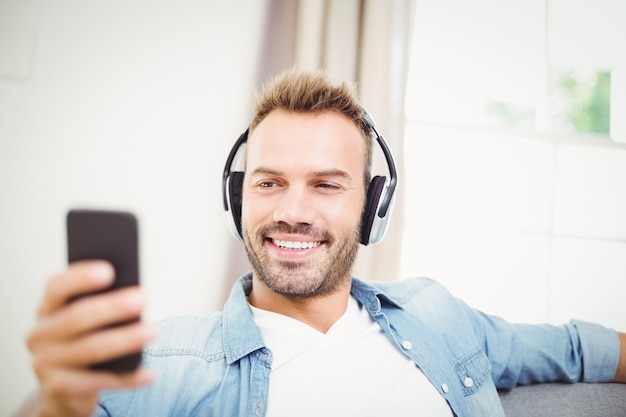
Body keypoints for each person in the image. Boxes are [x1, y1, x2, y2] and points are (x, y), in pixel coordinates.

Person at [19, 68, 626, 417]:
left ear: (372, 205)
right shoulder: (161, 367)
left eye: (326, 185)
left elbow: (579, 350)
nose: (291, 211)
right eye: (270, 182)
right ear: (238, 196)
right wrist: (53, 405)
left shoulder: (438, 316)